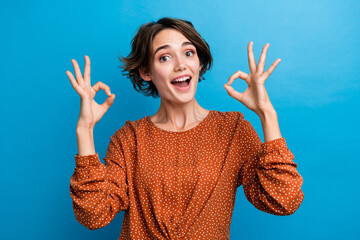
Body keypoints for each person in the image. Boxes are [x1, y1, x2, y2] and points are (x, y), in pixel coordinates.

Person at [66, 17, 304, 240]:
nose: (181, 65)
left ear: (199, 62)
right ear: (146, 72)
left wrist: (267, 114)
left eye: (188, 53)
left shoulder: (233, 130)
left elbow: (283, 200)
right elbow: (93, 215)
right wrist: (85, 129)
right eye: (165, 57)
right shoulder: (128, 139)